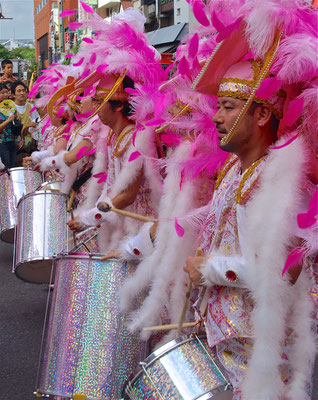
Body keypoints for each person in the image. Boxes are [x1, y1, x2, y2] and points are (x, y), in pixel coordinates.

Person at [183, 1, 317, 399]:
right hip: (229, 341)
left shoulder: (286, 177)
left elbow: (283, 272)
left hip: (267, 353)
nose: (217, 118)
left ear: (261, 115)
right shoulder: (236, 171)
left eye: (227, 107)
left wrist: (210, 269)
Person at [11, 80, 40, 163]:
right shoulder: (10, 108)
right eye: (19, 91)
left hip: (29, 146)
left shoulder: (31, 107)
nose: (22, 93)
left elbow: (37, 123)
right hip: (13, 145)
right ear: (13, 94)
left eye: (24, 90)